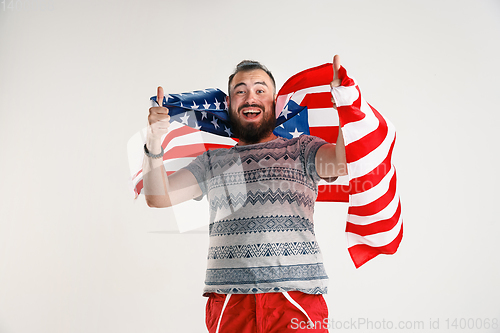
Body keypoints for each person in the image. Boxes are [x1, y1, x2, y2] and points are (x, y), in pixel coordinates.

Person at [142, 55, 347, 333]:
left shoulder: (302, 148)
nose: (250, 97)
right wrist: (154, 140)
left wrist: (346, 111)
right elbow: (157, 196)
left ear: (274, 103)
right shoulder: (212, 161)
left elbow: (341, 163)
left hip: (294, 299)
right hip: (229, 301)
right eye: (240, 91)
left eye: (260, 90)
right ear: (229, 104)